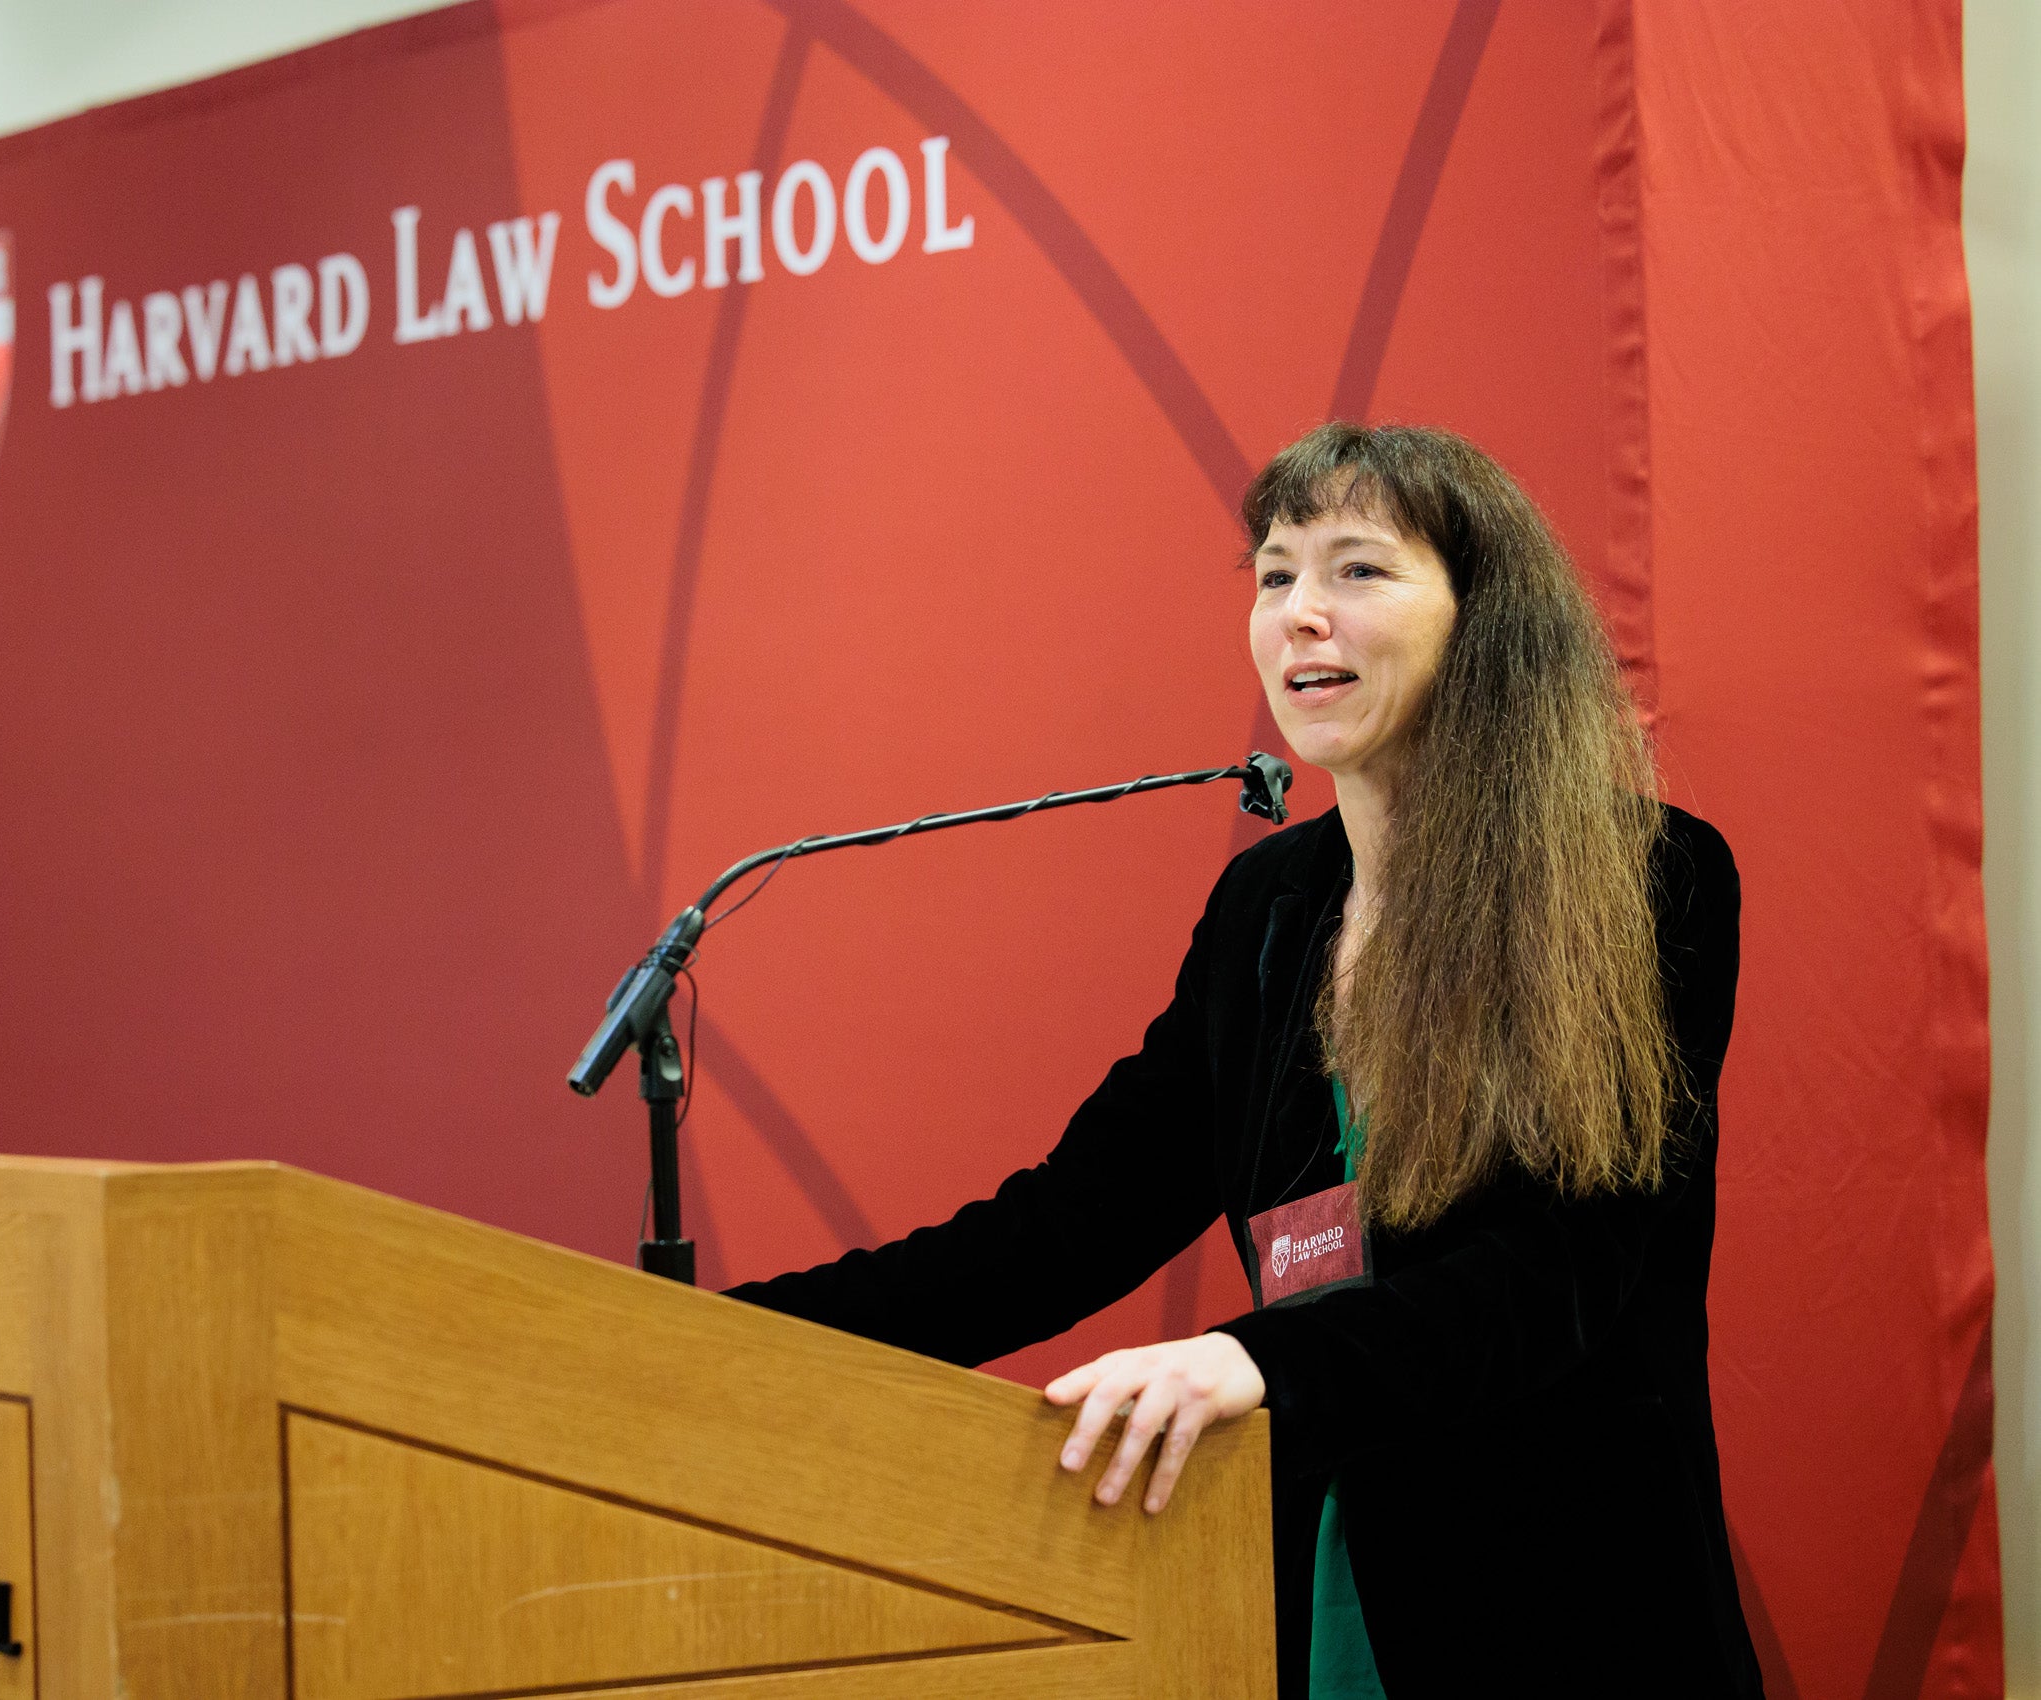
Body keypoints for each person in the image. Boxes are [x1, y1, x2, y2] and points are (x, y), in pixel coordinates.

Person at [727, 422, 1762, 1698]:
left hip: (1564, 1608)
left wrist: (1257, 1362)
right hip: (1297, 1589)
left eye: (1357, 571)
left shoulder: (1646, 874)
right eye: (1275, 576)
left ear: (1484, 621)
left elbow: (1559, 1274)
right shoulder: (1267, 910)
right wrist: (729, 1338)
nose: (1299, 617)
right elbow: (1064, 1225)